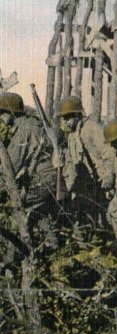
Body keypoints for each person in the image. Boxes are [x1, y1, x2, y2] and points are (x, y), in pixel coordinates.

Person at [0, 92, 57, 242]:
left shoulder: (24, 130)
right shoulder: (31, 124)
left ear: (12, 112)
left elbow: (11, 165)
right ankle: (50, 247)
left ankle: (19, 250)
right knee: (40, 216)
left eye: (2, 113)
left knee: (16, 208)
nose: (0, 117)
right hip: (48, 180)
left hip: (41, 180)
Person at [56, 96, 116, 219]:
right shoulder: (72, 136)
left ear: (77, 115)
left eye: (68, 117)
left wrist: (109, 175)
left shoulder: (92, 128)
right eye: (63, 118)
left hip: (103, 182)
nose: (65, 121)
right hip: (87, 183)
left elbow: (109, 152)